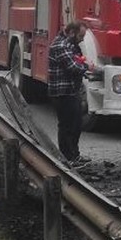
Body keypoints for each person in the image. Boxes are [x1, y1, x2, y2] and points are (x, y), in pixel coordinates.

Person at [48, 20, 90, 168]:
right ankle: (66, 158)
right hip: (62, 92)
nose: (82, 39)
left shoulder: (71, 45)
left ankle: (75, 155)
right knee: (66, 125)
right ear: (71, 33)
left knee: (76, 124)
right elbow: (73, 66)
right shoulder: (60, 46)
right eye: (80, 35)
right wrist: (87, 66)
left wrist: (82, 65)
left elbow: (77, 62)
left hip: (72, 90)